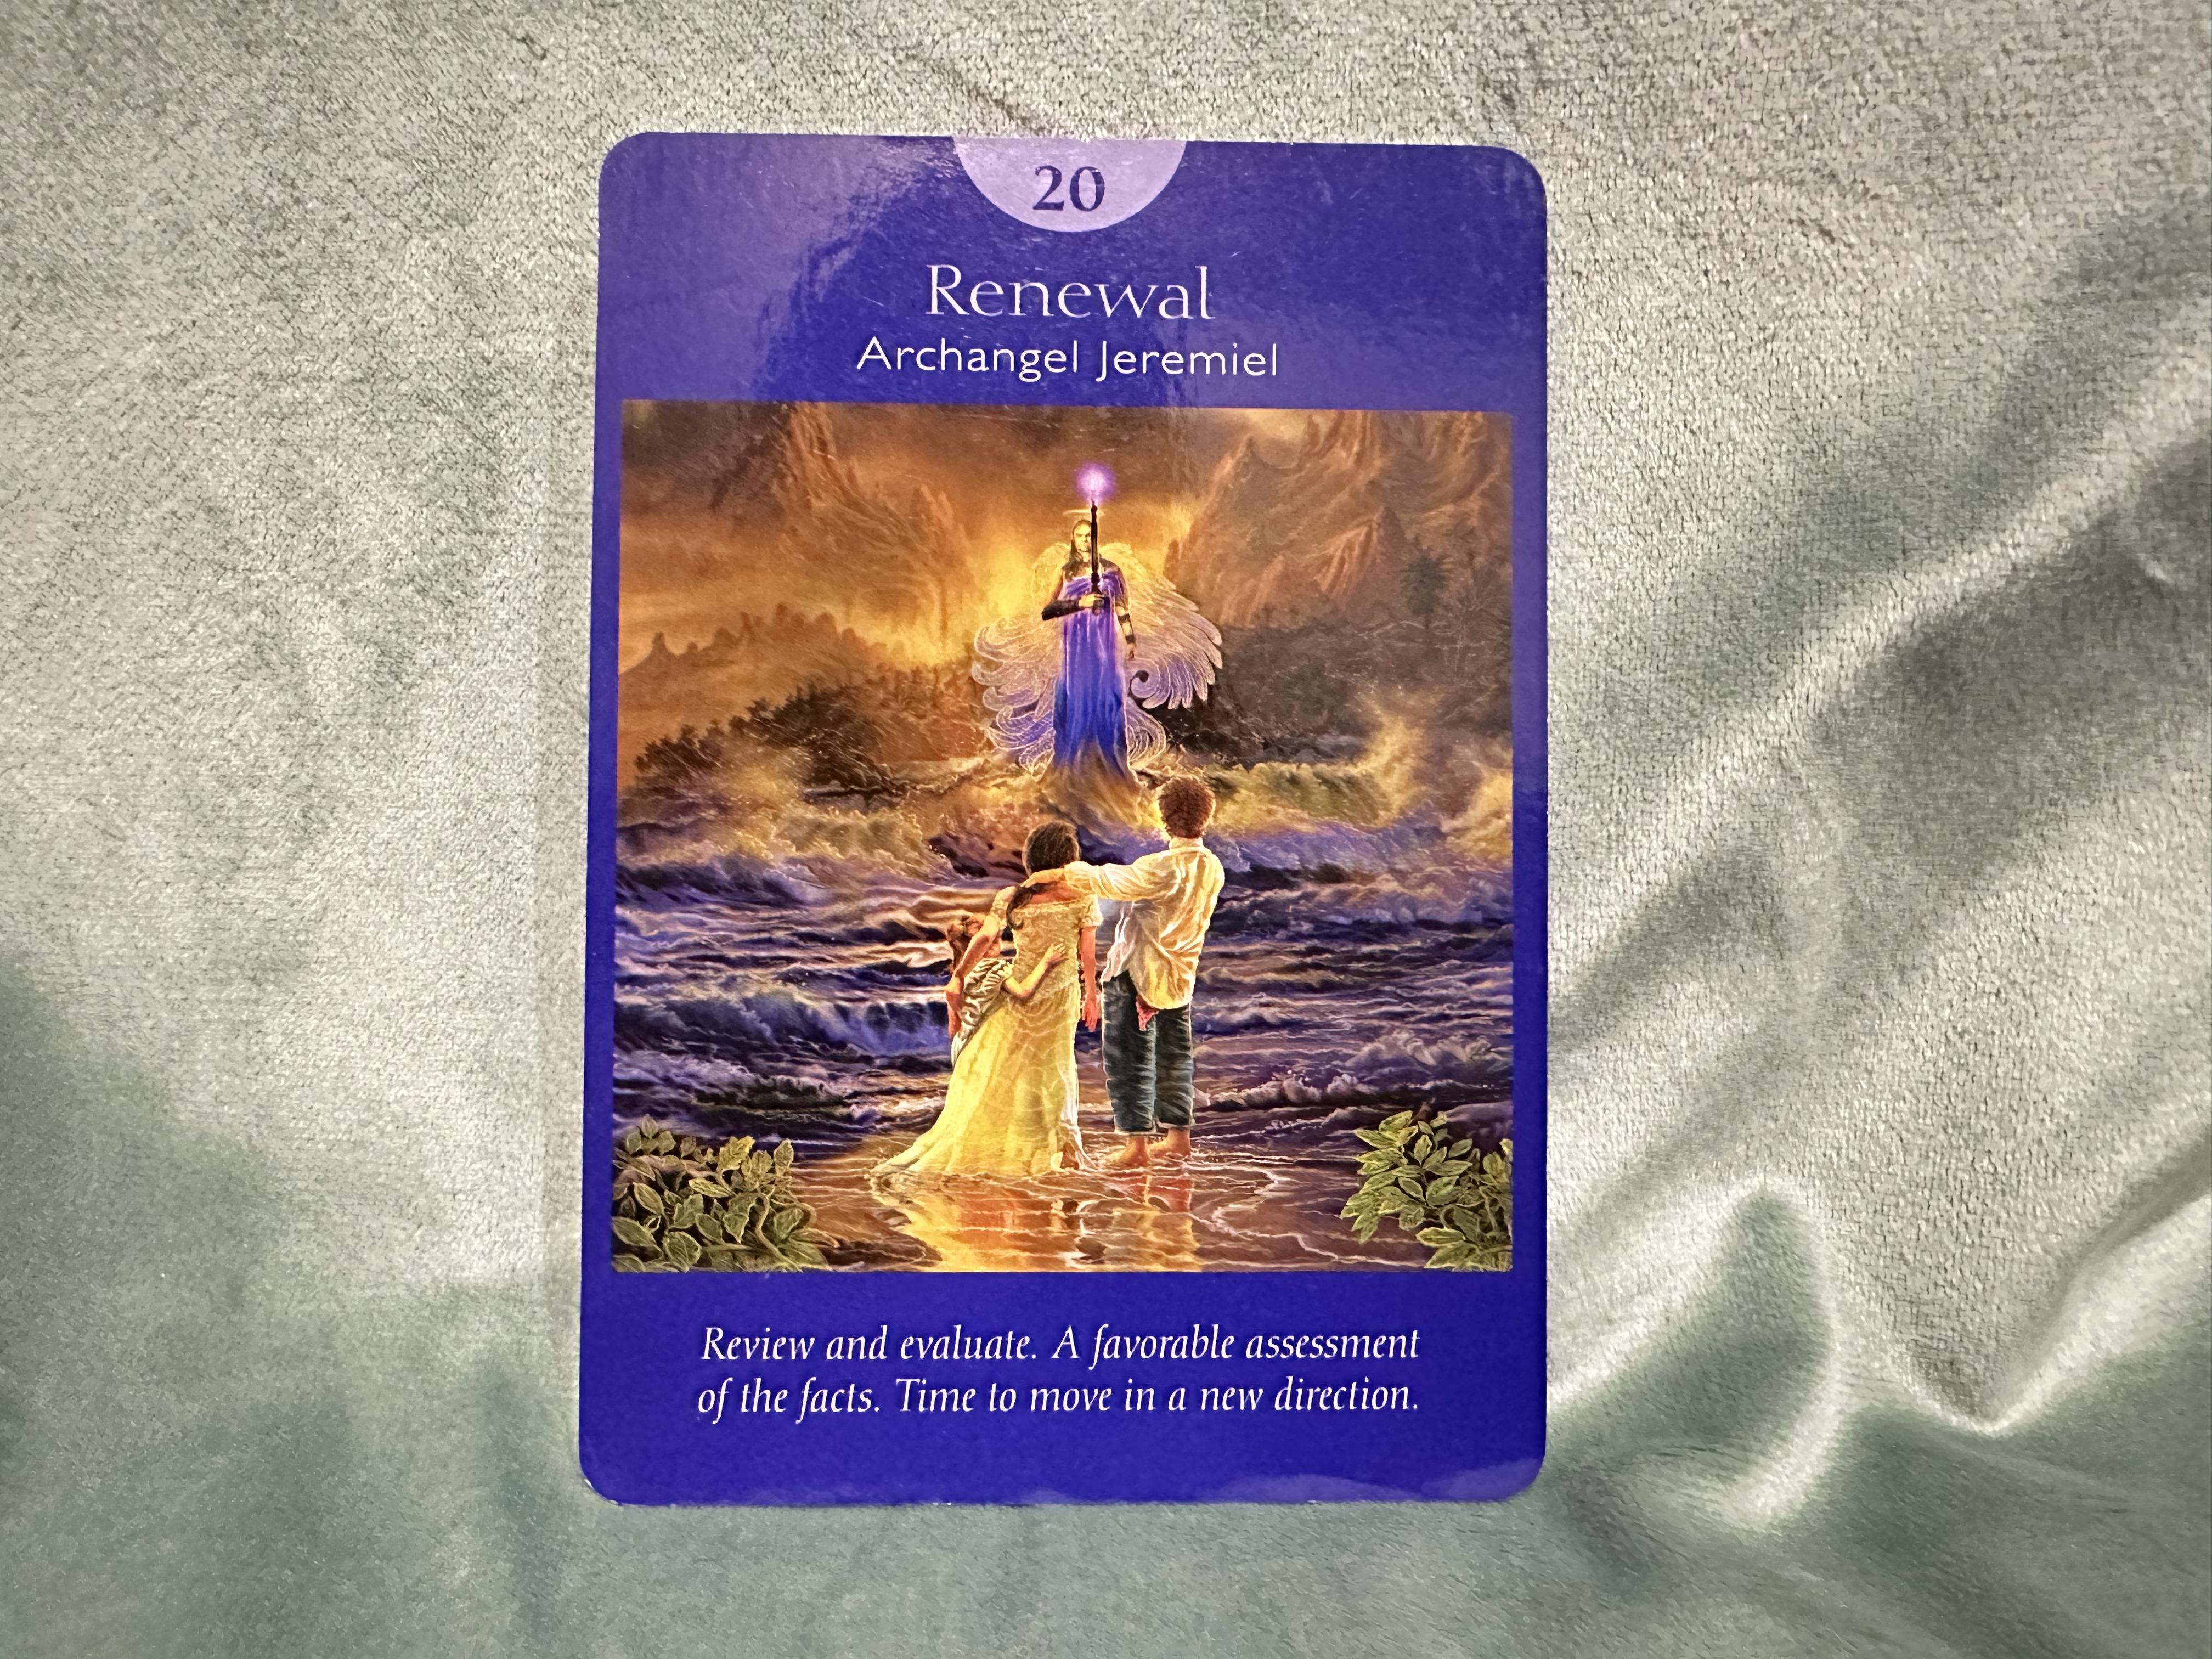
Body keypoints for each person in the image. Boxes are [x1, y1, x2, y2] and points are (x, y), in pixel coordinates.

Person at [878, 823, 1101, 1179]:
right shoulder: (1082, 896)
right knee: (1055, 1066)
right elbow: (1087, 954)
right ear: (1068, 859)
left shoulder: (1013, 897)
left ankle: (1029, 1144)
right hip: (1060, 995)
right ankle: (1056, 1148)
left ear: (1032, 858)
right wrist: (1092, 995)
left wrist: (959, 975)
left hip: (1025, 991)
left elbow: (985, 937)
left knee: (1022, 1066)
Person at [1029, 776, 1224, 1169]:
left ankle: (1137, 1148)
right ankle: (1178, 1139)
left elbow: (1111, 881)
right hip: (1180, 976)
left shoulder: (1162, 867)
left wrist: (1063, 873)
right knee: (1174, 1058)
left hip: (1137, 972)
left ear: (1165, 818)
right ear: (1206, 817)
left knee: (1129, 1060)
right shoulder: (1212, 867)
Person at [940, 911, 1068, 1060]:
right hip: (981, 1044)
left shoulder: (960, 976)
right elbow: (1023, 991)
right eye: (996, 939)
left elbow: (953, 1029)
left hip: (961, 1044)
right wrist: (1046, 962)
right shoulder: (995, 967)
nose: (1000, 943)